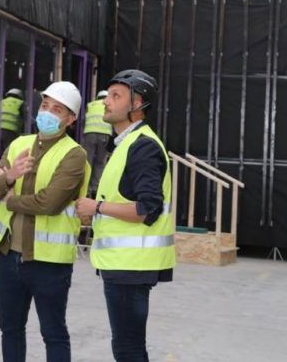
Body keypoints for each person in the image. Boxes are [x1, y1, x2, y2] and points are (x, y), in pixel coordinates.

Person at [0, 81, 90, 362]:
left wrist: (10, 199)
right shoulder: (18, 144)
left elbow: (50, 203)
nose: (48, 112)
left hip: (49, 264)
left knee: (53, 333)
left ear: (71, 119)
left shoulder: (74, 155)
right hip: (10, 258)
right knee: (10, 330)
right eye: (45, 105)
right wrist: (8, 176)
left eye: (57, 109)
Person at [75, 69, 175, 362]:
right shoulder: (123, 145)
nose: (107, 101)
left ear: (137, 103)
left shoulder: (142, 147)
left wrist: (96, 207)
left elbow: (147, 209)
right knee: (127, 346)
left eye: (116, 96)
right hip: (123, 265)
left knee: (128, 349)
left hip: (131, 268)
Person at [83, 89, 112, 196]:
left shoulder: (90, 105)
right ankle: (94, 188)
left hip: (90, 135)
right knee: (100, 163)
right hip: (104, 135)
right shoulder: (109, 105)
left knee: (87, 162)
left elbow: (84, 120)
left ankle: (85, 190)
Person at [0, 88, 25, 156]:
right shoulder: (21, 103)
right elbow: (25, 117)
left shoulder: (0, 102)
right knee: (9, 151)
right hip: (12, 130)